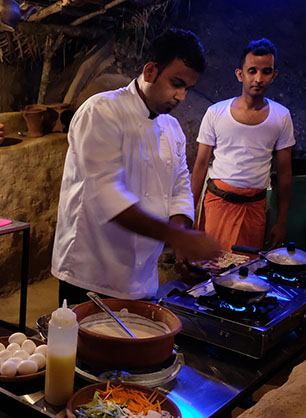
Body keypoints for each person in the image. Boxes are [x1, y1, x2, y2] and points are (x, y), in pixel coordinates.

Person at [51, 28, 220, 306]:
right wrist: (178, 236)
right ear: (151, 71)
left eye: (187, 88)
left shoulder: (172, 127)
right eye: (176, 83)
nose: (181, 97)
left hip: (142, 277)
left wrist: (183, 236)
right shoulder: (102, 112)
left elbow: (180, 187)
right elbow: (107, 196)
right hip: (91, 273)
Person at [191, 38, 295, 251]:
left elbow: (284, 173)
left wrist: (282, 221)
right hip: (217, 206)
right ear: (240, 74)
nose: (258, 78)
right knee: (207, 269)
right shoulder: (215, 113)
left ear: (273, 76)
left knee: (245, 275)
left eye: (266, 72)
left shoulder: (281, 117)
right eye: (252, 71)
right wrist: (189, 214)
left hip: (254, 209)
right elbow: (200, 166)